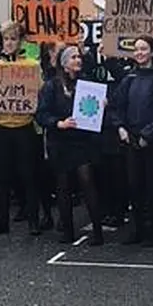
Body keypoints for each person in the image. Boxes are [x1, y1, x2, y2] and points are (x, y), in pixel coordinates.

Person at [36, 46, 104, 246]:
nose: (78, 60)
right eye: (73, 57)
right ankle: (67, 230)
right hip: (60, 141)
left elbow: (93, 107)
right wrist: (59, 123)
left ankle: (97, 231)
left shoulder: (88, 83)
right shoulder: (51, 86)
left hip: (82, 141)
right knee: (63, 186)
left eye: (79, 56)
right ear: (64, 63)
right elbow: (41, 114)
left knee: (87, 182)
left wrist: (102, 103)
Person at [110, 35, 153, 248]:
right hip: (130, 138)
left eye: (143, 49)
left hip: (152, 140)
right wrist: (120, 127)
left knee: (152, 187)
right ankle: (137, 229)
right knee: (134, 186)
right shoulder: (130, 77)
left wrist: (148, 135)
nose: (139, 53)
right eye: (136, 49)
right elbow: (116, 105)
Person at [0, 21, 42, 237]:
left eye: (12, 39)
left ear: (20, 42)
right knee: (2, 177)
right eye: (6, 39)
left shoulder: (32, 66)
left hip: (24, 127)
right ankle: (2, 223)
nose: (9, 43)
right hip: (1, 127)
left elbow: (40, 94)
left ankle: (33, 221)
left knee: (29, 175)